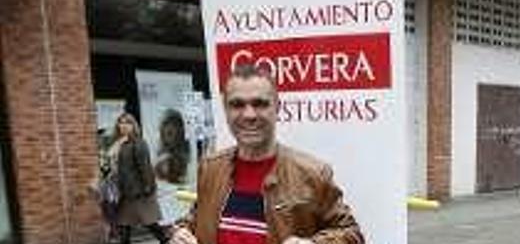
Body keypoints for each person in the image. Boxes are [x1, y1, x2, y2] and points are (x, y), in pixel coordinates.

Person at [171, 63, 364, 244]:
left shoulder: (313, 173)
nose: (249, 115)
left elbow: (351, 233)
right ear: (226, 110)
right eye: (237, 104)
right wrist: (181, 231)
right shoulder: (210, 167)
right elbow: (197, 216)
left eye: (260, 104)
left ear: (277, 108)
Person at [110, 113, 169, 244]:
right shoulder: (120, 144)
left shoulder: (138, 143)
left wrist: (148, 188)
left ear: (133, 125)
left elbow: (145, 167)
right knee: (124, 228)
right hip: (126, 195)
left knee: (151, 225)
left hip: (140, 193)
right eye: (121, 123)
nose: (123, 126)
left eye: (127, 123)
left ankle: (169, 241)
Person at [154, 109, 192, 227]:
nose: (169, 131)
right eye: (166, 128)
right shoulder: (161, 157)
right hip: (169, 211)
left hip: (181, 210)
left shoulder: (188, 157)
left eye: (173, 127)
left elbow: (189, 192)